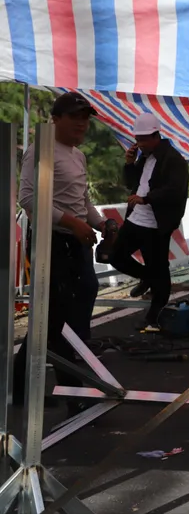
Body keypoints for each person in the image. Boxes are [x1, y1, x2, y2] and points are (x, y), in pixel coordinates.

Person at [14, 92, 107, 416]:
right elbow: (28, 198)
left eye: (86, 117)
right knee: (57, 319)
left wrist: (101, 223)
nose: (82, 123)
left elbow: (81, 201)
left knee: (54, 319)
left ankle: (20, 385)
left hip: (75, 242)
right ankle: (72, 391)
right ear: (56, 118)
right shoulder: (41, 149)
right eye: (75, 117)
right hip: (52, 241)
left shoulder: (77, 155)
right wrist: (71, 222)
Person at [110, 112, 189, 332]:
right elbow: (133, 183)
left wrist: (147, 199)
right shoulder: (144, 157)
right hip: (136, 218)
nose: (140, 144)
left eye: (144, 139)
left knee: (159, 269)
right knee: (115, 255)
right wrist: (129, 164)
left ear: (156, 136)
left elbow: (175, 191)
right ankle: (147, 278)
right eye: (138, 139)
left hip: (156, 224)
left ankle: (154, 316)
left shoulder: (174, 159)